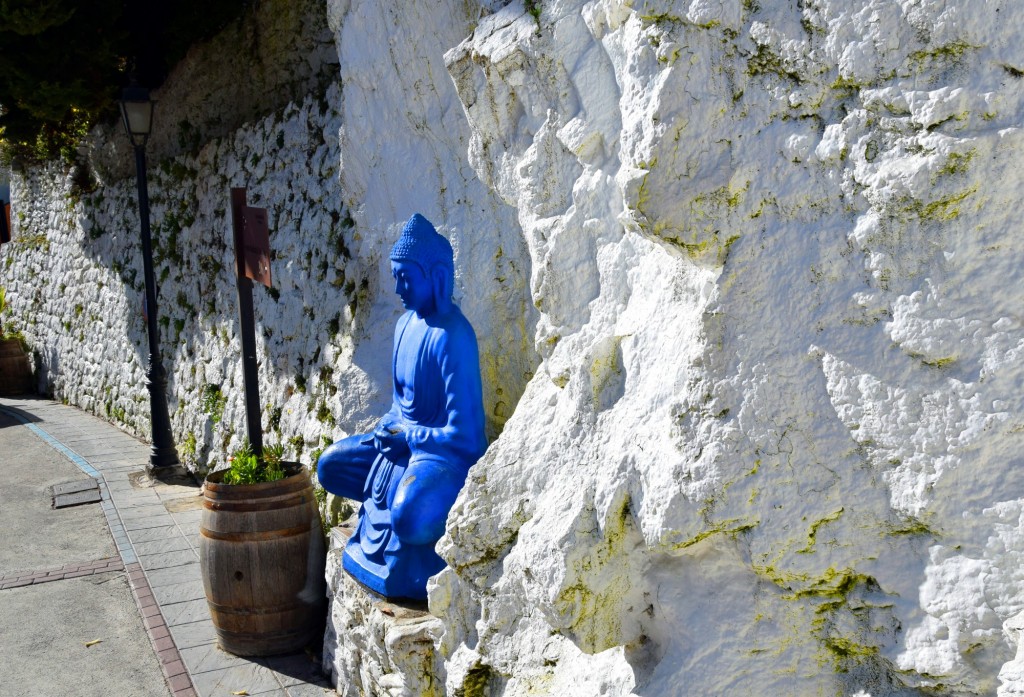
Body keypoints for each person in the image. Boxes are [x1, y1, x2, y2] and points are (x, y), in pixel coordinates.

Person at [317, 213, 487, 599]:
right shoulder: (403, 325)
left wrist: (409, 438)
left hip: (439, 457)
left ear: (437, 277)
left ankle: (416, 556)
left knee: (410, 516)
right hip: (399, 445)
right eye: (396, 277)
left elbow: (469, 439)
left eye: (406, 279)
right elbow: (400, 405)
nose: (398, 289)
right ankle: (386, 528)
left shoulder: (453, 337)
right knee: (330, 466)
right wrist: (387, 428)